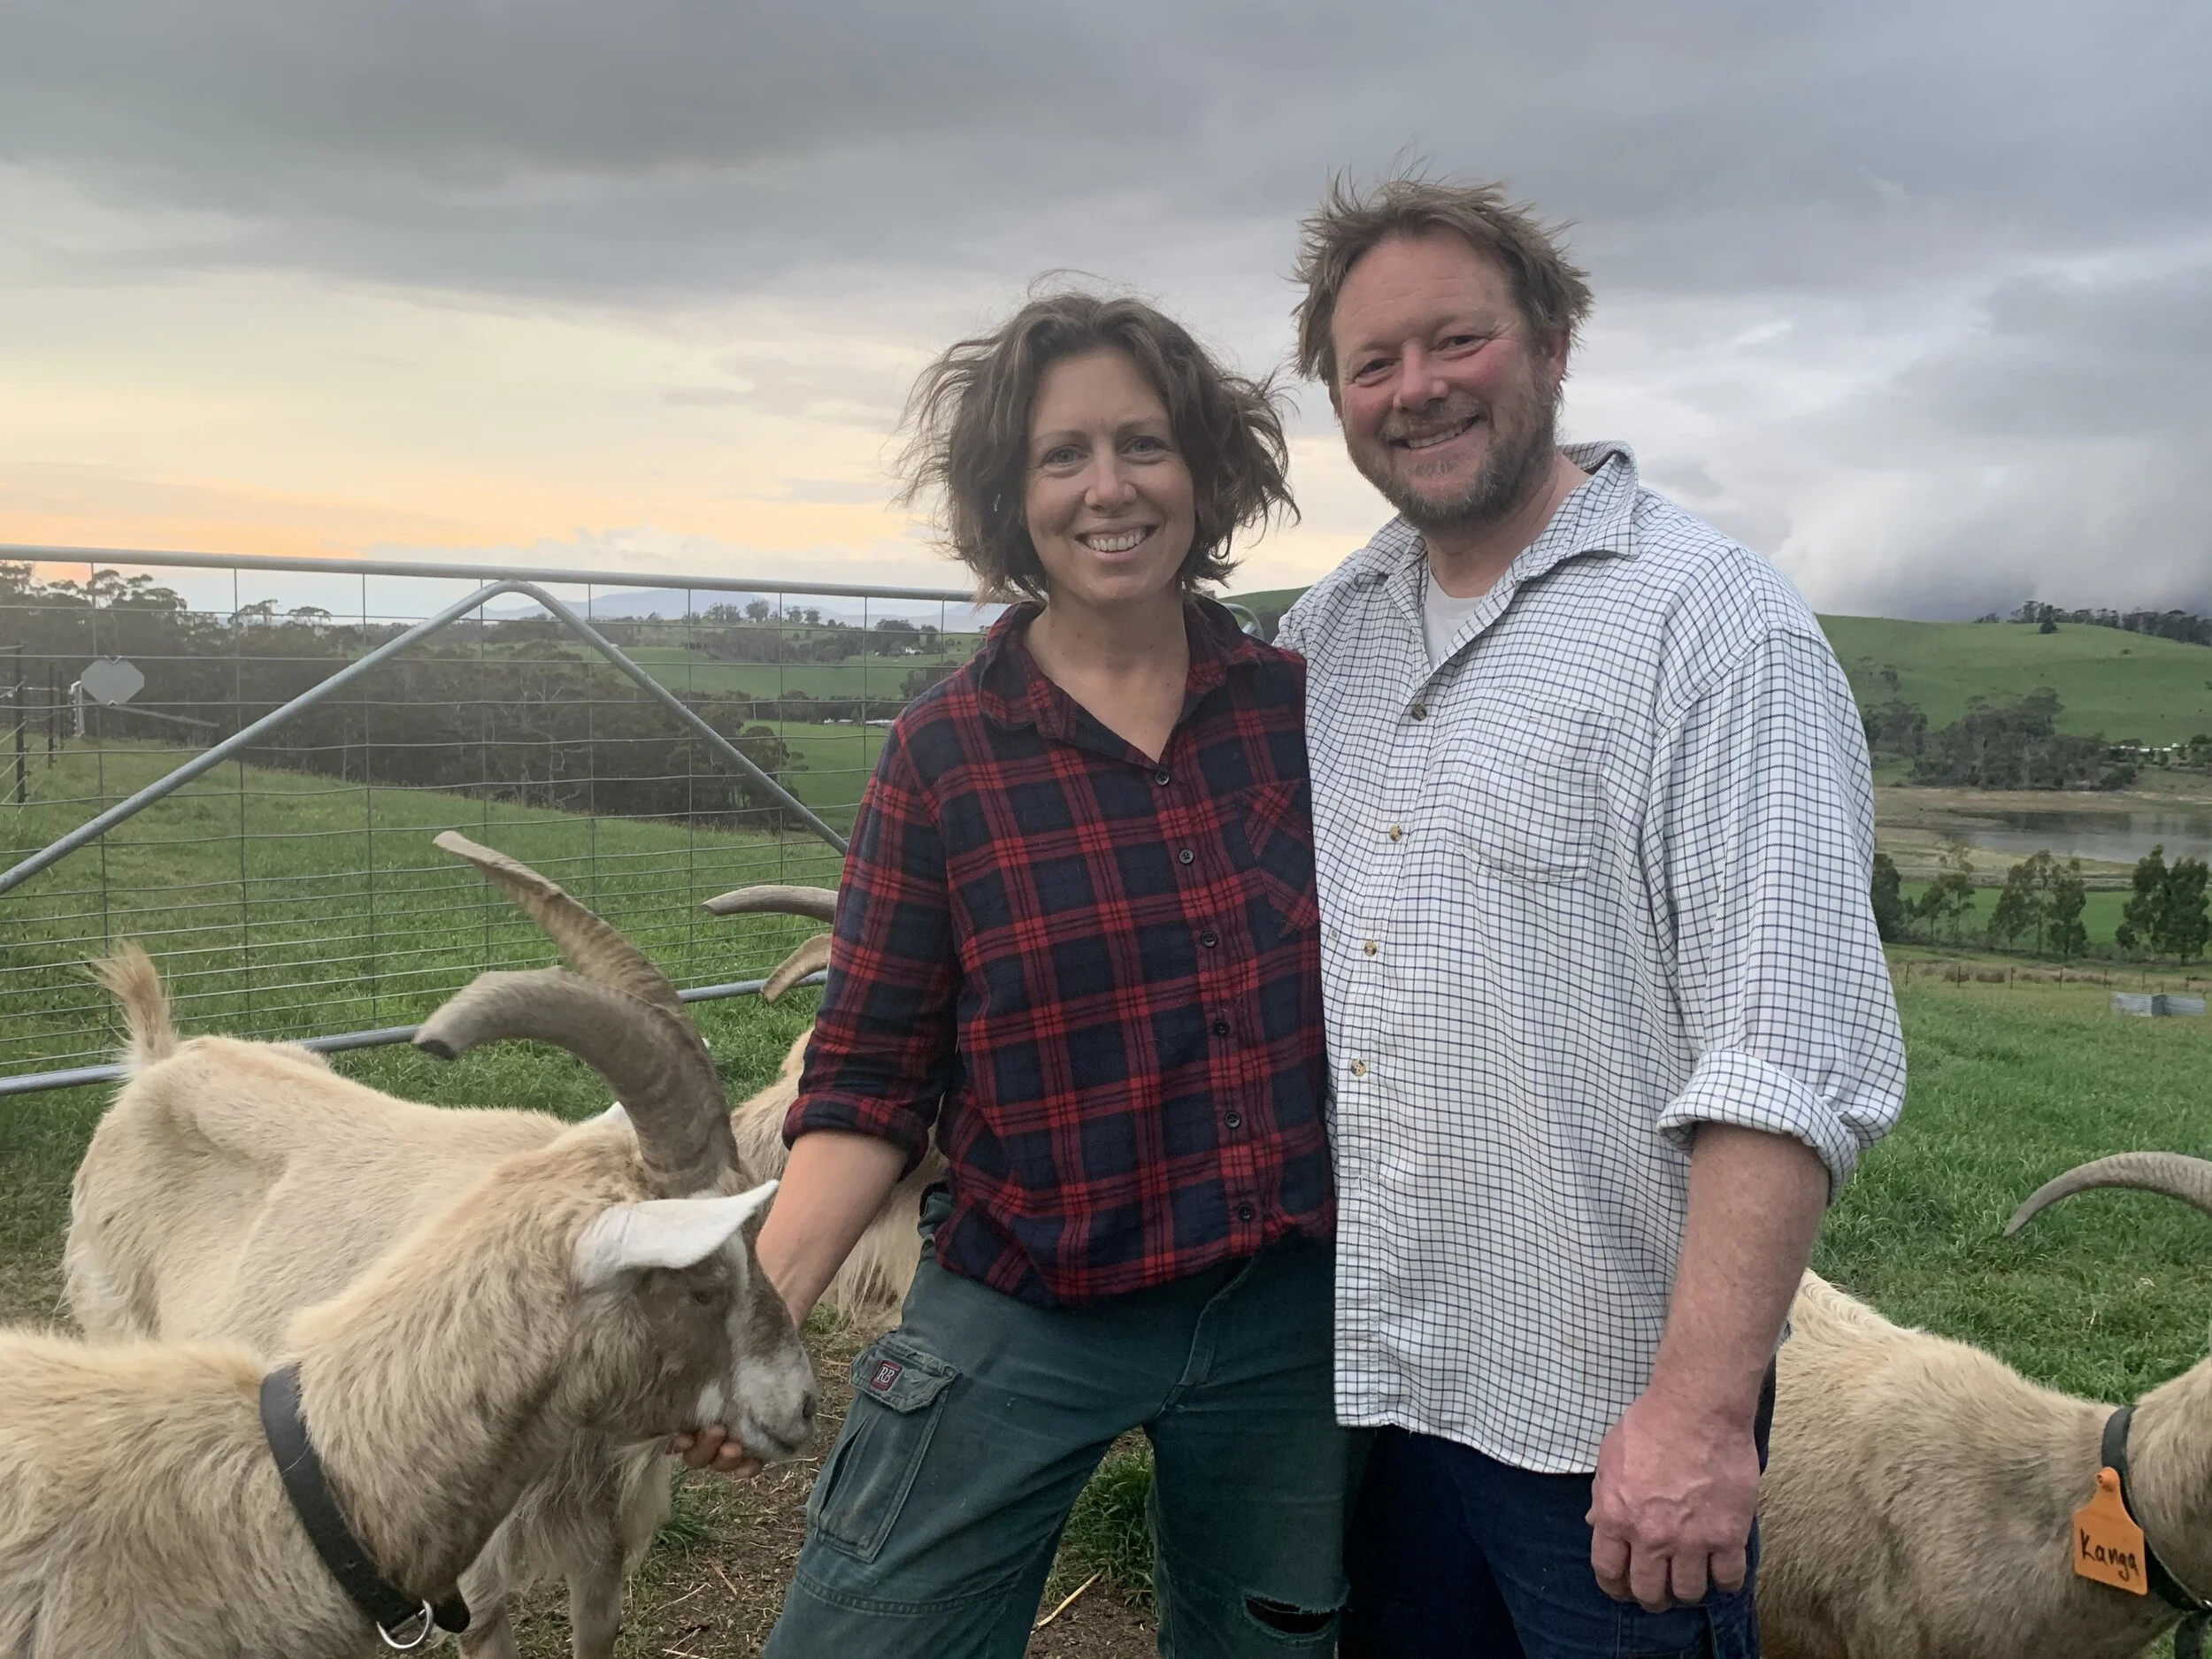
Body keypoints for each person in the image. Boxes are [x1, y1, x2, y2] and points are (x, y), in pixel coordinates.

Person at [1273, 173, 1908, 1658]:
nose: (1416, 389)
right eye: (1374, 364)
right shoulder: (1332, 634)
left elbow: (1787, 1049)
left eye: (1457, 342)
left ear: (1554, 341)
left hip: (1605, 1429)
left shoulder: (1716, 627)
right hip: (1373, 1383)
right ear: (1340, 398)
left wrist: (1695, 1413)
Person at [680, 290, 1353, 1656]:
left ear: (1204, 470)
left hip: (1283, 1310)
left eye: (1144, 444)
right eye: (1063, 455)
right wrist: (757, 1318)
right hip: (1027, 1293)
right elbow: (867, 1081)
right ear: (1011, 492)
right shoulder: (945, 755)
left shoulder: (1298, 713)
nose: (1109, 488)